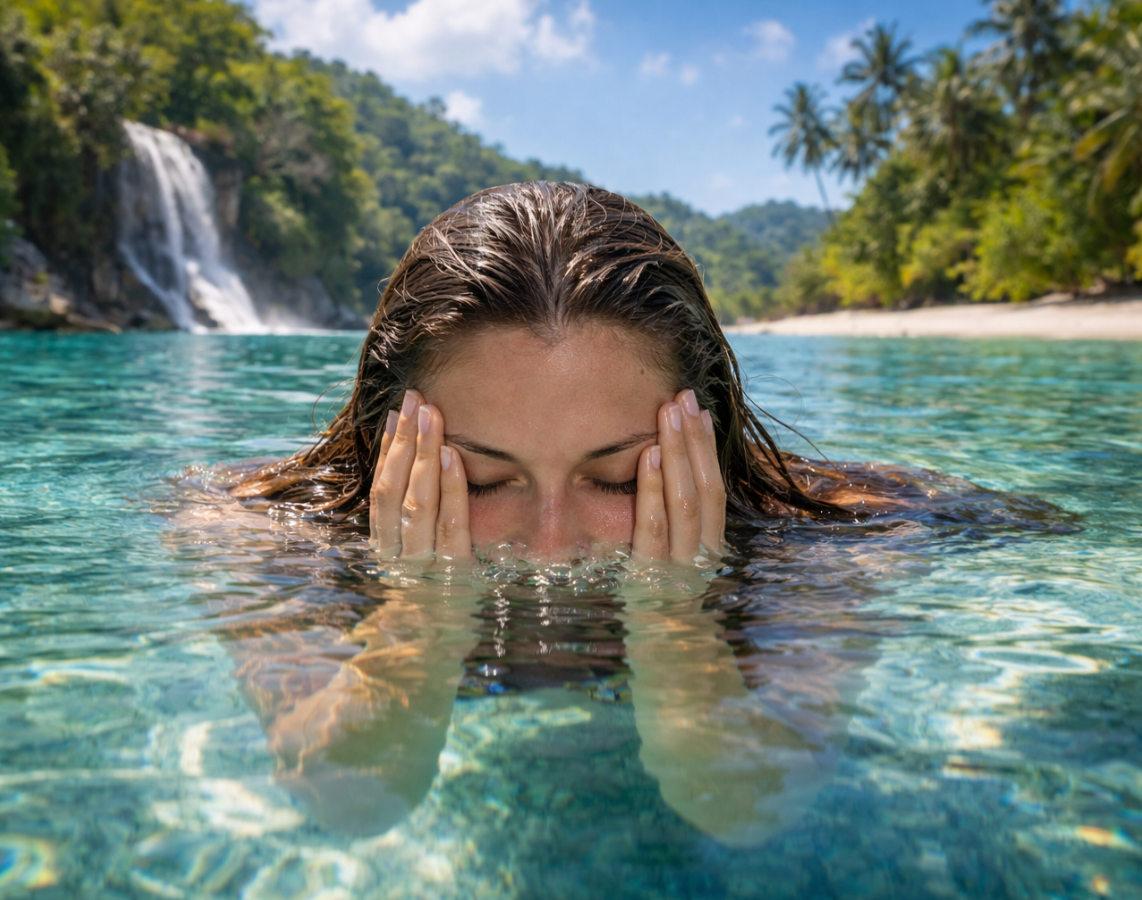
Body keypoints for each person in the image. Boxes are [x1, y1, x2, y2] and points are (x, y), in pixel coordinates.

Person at [227, 182, 872, 845]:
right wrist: (418, 622)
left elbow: (747, 805)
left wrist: (676, 624)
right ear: (382, 444)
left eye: (621, 479)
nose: (551, 548)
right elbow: (346, 797)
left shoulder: (835, 538)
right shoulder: (266, 534)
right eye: (479, 481)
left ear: (710, 440)